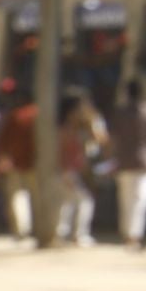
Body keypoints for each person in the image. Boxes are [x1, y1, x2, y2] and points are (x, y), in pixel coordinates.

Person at [107, 78, 146, 251]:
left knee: (127, 200)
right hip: (144, 163)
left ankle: (129, 234)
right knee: (141, 200)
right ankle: (133, 236)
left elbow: (111, 138)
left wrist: (111, 158)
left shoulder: (120, 112)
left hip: (123, 162)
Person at [56, 89, 107, 245]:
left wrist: (92, 122)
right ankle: (75, 234)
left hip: (74, 170)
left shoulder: (82, 126)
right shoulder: (64, 129)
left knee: (69, 202)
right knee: (81, 200)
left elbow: (102, 140)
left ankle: (64, 233)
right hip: (66, 171)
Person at [0, 89, 38, 241]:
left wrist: (3, 159)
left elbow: (3, 142)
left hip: (16, 163)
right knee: (33, 197)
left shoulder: (15, 116)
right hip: (33, 164)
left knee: (16, 198)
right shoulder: (38, 115)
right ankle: (34, 229)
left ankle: (21, 231)